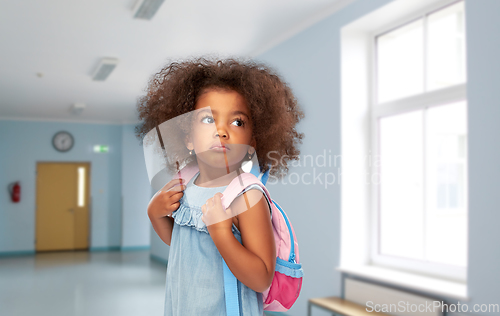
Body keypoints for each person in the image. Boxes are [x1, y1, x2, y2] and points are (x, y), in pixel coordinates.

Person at [135, 57, 305, 316]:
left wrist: (223, 235)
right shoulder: (187, 184)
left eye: (237, 122)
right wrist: (155, 214)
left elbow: (261, 279)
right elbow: (185, 247)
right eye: (207, 120)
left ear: (253, 141)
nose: (222, 131)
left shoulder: (246, 196)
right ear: (188, 139)